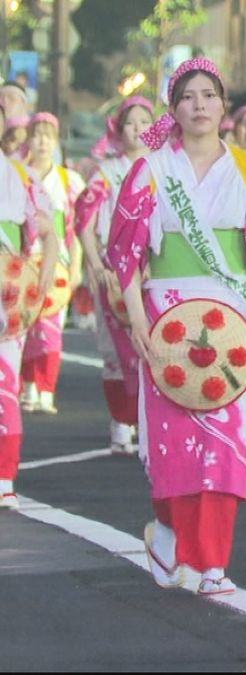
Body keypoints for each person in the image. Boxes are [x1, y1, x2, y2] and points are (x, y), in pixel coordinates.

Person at [107, 58, 246, 596]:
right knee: (174, 441)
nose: (200, 105)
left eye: (209, 94)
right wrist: (138, 316)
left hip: (233, 318)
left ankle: (212, 563)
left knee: (227, 440)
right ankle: (168, 529)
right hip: (168, 316)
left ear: (224, 106)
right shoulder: (150, 170)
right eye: (188, 96)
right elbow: (127, 254)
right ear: (174, 108)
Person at [74, 96, 154, 455]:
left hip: (154, 269)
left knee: (151, 347)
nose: (138, 128)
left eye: (144, 121)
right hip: (114, 269)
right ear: (119, 131)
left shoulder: (163, 169)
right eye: (131, 122)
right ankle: (121, 421)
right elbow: (85, 222)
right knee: (115, 349)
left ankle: (147, 420)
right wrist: (94, 263)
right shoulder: (108, 173)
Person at [0, 102, 58, 509]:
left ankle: (4, 474)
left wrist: (42, 277)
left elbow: (49, 233)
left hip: (7, 296)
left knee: (4, 385)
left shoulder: (20, 176)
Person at [21, 112, 84, 415]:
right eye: (36, 134)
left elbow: (76, 229)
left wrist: (75, 267)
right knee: (25, 327)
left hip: (56, 263)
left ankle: (46, 387)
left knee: (51, 329)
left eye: (48, 135)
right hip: (23, 263)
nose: (42, 141)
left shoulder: (69, 181)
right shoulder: (18, 175)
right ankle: (27, 385)